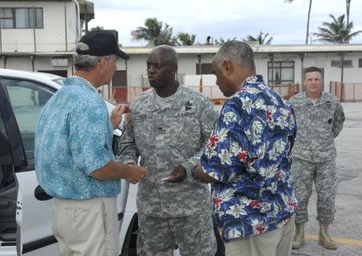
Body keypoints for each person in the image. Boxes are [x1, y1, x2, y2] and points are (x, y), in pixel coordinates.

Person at [35, 30, 148, 256]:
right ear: (103, 62)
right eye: (115, 61)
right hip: (89, 213)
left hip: (63, 212)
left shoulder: (58, 98)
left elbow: (69, 144)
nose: (116, 67)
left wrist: (109, 123)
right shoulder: (90, 103)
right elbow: (97, 166)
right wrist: (129, 171)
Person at [194, 40, 298, 256]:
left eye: (216, 73)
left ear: (227, 66)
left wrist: (194, 170)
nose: (217, 81)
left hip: (249, 224)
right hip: (282, 214)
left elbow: (214, 170)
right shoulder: (281, 101)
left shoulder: (238, 103)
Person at [118, 45, 219, 256]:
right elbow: (127, 144)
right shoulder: (139, 105)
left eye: (157, 66)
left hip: (190, 207)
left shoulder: (198, 104)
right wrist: (128, 166)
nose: (151, 71)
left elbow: (215, 147)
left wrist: (188, 167)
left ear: (173, 69)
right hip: (152, 208)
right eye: (148, 66)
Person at [288, 66, 345, 250]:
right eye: (310, 79)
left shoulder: (333, 102)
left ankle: (324, 233)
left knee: (327, 196)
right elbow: (288, 126)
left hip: (326, 158)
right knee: (299, 196)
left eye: (317, 79)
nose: (313, 82)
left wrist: (323, 141)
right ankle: (299, 233)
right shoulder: (293, 102)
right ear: (304, 81)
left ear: (322, 81)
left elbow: (337, 125)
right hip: (301, 157)